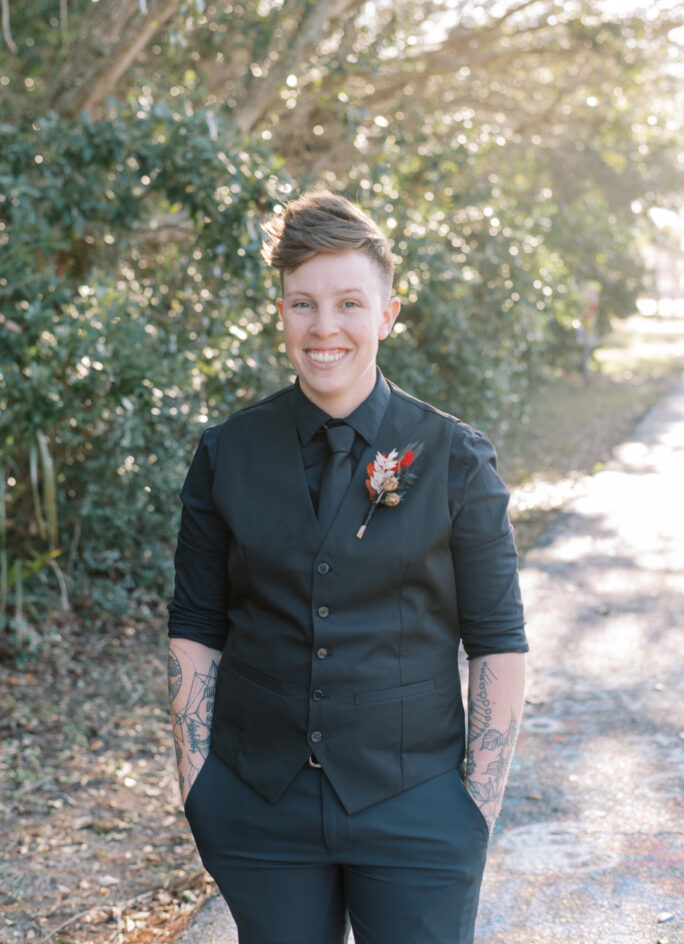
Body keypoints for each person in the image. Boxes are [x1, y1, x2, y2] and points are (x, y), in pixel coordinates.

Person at [167, 190, 528, 944]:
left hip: (419, 808)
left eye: (348, 304)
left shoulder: (457, 459)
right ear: (282, 314)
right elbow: (197, 625)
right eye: (303, 304)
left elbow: (496, 639)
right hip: (257, 803)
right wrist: (198, 781)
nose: (324, 327)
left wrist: (476, 810)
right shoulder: (225, 454)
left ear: (387, 315)